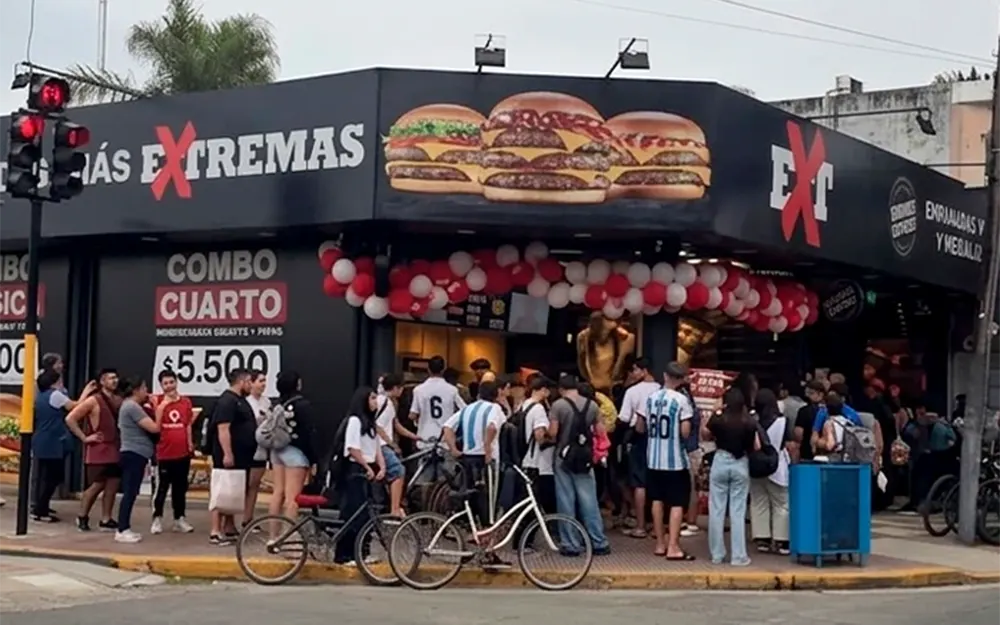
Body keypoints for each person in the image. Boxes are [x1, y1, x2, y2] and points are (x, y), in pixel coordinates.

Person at [635, 362, 695, 560]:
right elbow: (685, 432)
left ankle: (660, 543)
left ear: (665, 375)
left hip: (653, 458)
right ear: (681, 380)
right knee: (677, 502)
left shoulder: (651, 398)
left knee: (657, 500)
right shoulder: (681, 400)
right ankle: (673, 546)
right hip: (675, 460)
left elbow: (641, 426)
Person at [548, 375, 611, 556]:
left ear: (561, 389)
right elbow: (600, 431)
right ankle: (598, 541)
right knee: (589, 499)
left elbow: (553, 433)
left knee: (566, 500)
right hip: (585, 456)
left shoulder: (558, 405)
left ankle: (571, 544)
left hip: (564, 457)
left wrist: (546, 436)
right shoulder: (592, 405)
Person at [702, 388, 760, 566]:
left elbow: (705, 434)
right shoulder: (749, 421)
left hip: (720, 460)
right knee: (737, 511)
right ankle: (739, 556)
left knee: (716, 509)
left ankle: (717, 554)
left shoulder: (718, 419)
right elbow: (756, 446)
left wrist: (714, 412)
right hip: (740, 462)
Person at [442, 380, 506, 533]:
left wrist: (454, 449)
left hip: (467, 458)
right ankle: (486, 531)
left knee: (470, 496)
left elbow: (447, 427)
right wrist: (487, 448)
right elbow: (492, 427)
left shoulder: (467, 409)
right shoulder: (494, 408)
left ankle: (471, 529)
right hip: (485, 459)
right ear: (496, 393)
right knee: (488, 499)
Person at [64, 368, 122, 532]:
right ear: (102, 381)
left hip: (115, 448)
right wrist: (84, 438)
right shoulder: (93, 400)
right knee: (97, 485)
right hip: (98, 450)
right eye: (111, 378)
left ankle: (106, 518)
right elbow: (70, 418)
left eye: (116, 377)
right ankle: (82, 516)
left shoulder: (118, 399)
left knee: (113, 484)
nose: (115, 381)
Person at [32, 370, 93, 522]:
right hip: (52, 441)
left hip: (42, 439)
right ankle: (41, 509)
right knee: (54, 476)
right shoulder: (55, 395)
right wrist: (86, 392)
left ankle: (41, 506)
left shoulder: (40, 396)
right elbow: (74, 406)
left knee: (48, 476)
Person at [335, 387, 386, 565]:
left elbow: (376, 448)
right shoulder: (355, 421)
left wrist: (382, 466)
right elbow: (352, 448)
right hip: (356, 469)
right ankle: (345, 554)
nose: (375, 402)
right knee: (353, 512)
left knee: (367, 514)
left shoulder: (371, 424)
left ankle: (363, 552)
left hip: (368, 468)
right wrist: (366, 466)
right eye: (372, 398)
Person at [208, 369, 256, 545]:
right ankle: (215, 530)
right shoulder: (227, 401)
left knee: (233, 491)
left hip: (242, 455)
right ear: (241, 382)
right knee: (221, 490)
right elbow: (223, 428)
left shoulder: (240, 400)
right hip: (227, 455)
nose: (251, 385)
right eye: (249, 381)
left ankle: (229, 526)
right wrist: (227, 453)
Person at [268, 371, 318, 531]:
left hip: (277, 450)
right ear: (297, 384)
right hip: (295, 452)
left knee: (278, 493)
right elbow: (309, 433)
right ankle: (288, 536)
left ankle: (273, 536)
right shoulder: (303, 405)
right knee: (292, 499)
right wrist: (313, 459)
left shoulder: (276, 404)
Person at [617, 357, 661, 539]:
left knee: (639, 482)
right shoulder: (661, 390)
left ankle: (640, 525)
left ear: (644, 371)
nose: (633, 374)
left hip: (639, 438)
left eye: (635, 370)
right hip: (659, 439)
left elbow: (624, 418)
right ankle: (657, 527)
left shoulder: (632, 391)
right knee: (657, 481)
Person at [115, 376, 161, 543]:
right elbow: (154, 428)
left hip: (138, 454)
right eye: (144, 388)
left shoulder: (132, 406)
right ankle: (122, 529)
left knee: (132, 491)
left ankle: (124, 527)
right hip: (133, 454)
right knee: (130, 492)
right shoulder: (132, 406)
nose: (146, 391)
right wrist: (159, 407)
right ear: (136, 390)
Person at [150, 370, 195, 534]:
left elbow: (187, 424)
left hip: (182, 453)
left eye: (171, 382)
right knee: (161, 488)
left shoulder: (186, 402)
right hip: (164, 453)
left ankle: (179, 518)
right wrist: (164, 404)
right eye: (165, 383)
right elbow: (156, 424)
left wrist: (190, 443)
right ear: (161, 385)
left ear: (176, 382)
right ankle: (157, 518)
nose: (169, 386)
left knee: (180, 488)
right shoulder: (157, 401)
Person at [409, 355, 465, 482]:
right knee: (445, 482)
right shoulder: (452, 390)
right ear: (443, 369)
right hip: (445, 441)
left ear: (428, 369)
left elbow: (413, 414)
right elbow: (464, 410)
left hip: (425, 440)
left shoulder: (418, 390)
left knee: (424, 481)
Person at [750, 388, 791, 555]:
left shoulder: (752, 420)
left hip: (755, 466)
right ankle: (781, 540)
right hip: (777, 466)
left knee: (758, 502)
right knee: (782, 504)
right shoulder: (783, 422)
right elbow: (789, 445)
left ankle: (762, 539)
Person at [373, 373, 408, 517]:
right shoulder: (386, 403)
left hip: (378, 444)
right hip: (381, 445)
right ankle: (395, 509)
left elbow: (396, 425)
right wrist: (392, 444)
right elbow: (378, 427)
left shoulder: (385, 402)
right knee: (398, 471)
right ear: (395, 388)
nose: (402, 391)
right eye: (401, 388)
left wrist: (415, 436)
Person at [520, 376, 555, 514]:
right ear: (542, 390)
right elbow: (539, 435)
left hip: (525, 459)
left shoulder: (524, 405)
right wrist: (552, 439)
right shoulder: (538, 408)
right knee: (544, 501)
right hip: (539, 463)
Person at [244, 370, 271, 529]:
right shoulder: (245, 402)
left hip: (261, 447)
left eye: (264, 381)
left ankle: (249, 518)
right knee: (245, 484)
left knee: (254, 484)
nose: (263, 384)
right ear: (252, 383)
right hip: (247, 446)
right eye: (260, 381)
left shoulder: (266, 402)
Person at [676, 372, 701, 537]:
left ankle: (685, 520)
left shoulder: (681, 406)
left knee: (683, 486)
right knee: (693, 487)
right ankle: (691, 520)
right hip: (693, 449)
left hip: (682, 449)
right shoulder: (694, 407)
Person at [792, 380, 826, 462]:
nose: (807, 396)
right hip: (827, 451)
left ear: (820, 394)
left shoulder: (804, 411)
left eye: (811, 393)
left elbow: (798, 433)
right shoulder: (830, 410)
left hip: (807, 452)